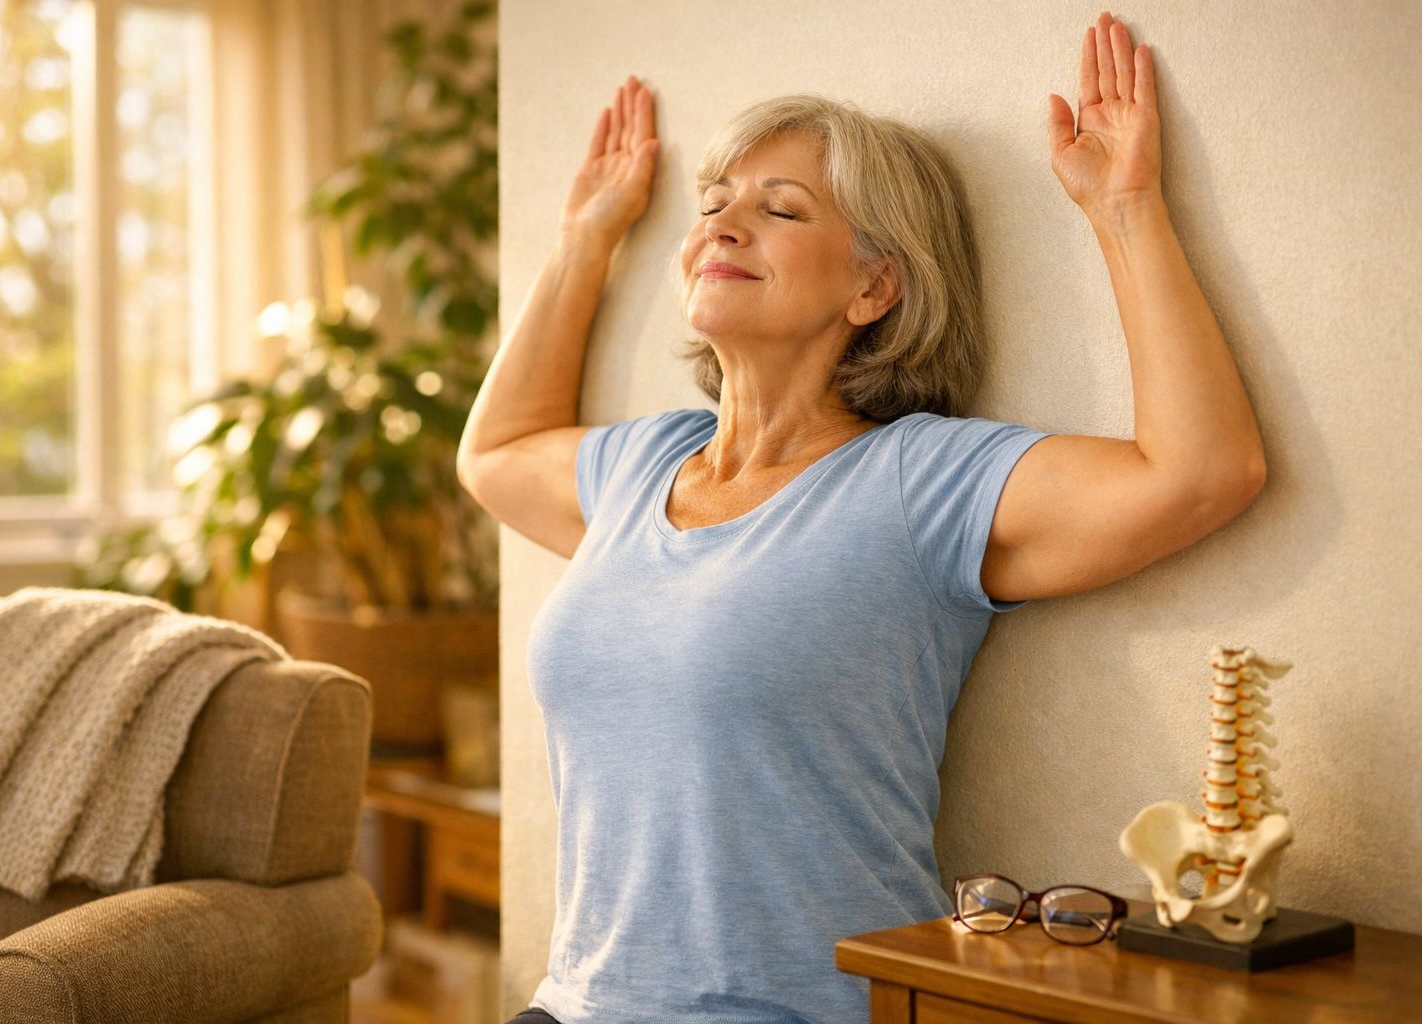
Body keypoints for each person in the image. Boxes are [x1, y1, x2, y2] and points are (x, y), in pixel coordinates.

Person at [460, 11, 1266, 1024]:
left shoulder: (916, 480)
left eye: (781, 210)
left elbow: (1203, 472)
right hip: (573, 1007)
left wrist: (1126, 208)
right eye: (712, 203)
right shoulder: (639, 463)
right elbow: (491, 453)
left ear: (874, 284)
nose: (720, 223)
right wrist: (587, 237)